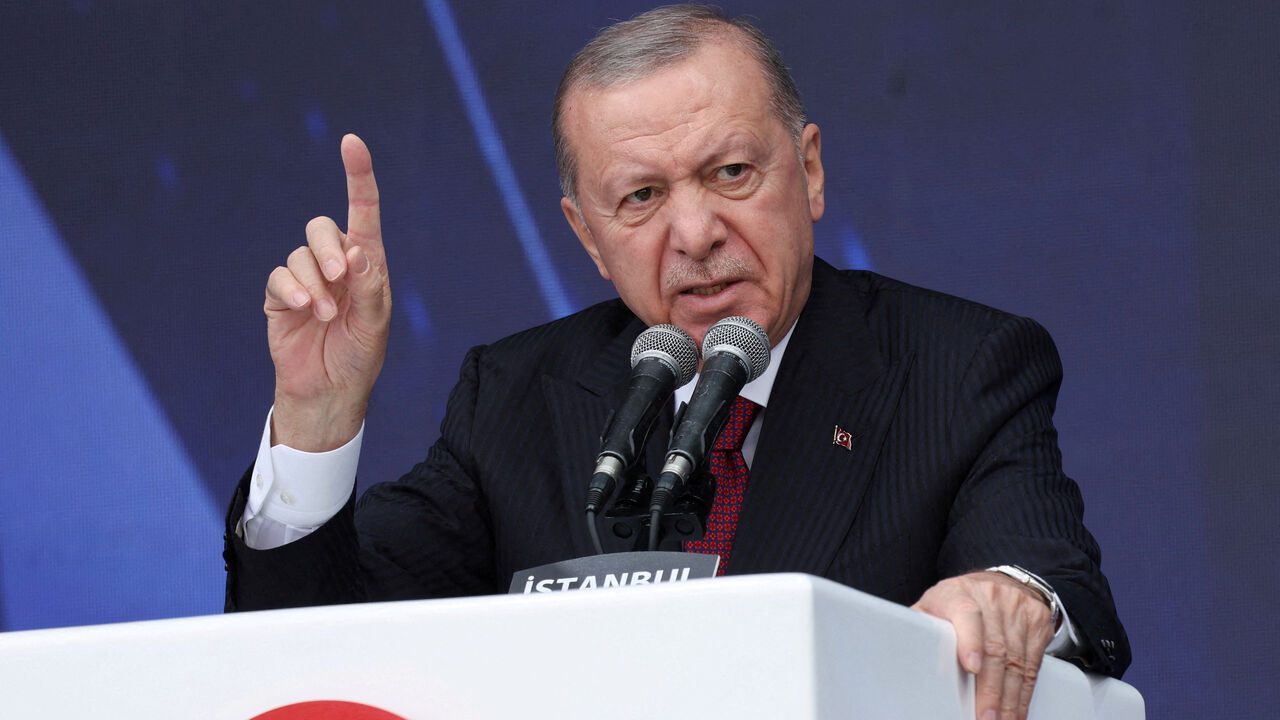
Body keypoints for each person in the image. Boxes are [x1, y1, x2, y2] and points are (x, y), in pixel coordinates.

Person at [223, 6, 1130, 719]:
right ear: (588, 236)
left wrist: (1010, 599)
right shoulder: (515, 397)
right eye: (642, 196)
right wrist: (315, 417)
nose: (695, 233)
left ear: (809, 171)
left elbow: (1046, 571)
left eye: (731, 173)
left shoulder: (958, 367)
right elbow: (310, 653)